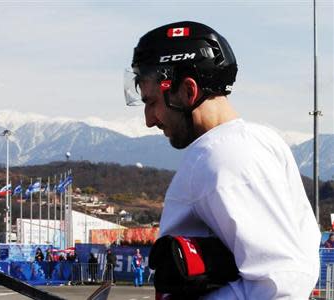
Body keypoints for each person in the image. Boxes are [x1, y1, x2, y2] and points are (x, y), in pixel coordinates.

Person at [124, 21, 321, 299]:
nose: (148, 119)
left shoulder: (219, 156)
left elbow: (279, 283)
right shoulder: (264, 141)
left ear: (188, 91)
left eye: (151, 102)